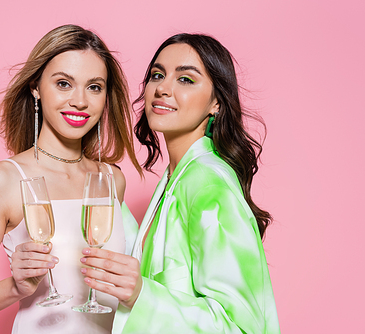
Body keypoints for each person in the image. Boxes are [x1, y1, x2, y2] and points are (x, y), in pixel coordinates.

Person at [79, 33, 281, 333]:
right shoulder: (177, 179)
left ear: (216, 103)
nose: (163, 88)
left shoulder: (208, 184)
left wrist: (141, 294)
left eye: (186, 79)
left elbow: (240, 326)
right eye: (157, 75)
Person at [0, 24, 142, 334]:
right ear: (36, 87)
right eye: (64, 83)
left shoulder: (111, 180)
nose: (80, 101)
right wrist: (17, 287)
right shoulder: (1, 180)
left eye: (94, 87)